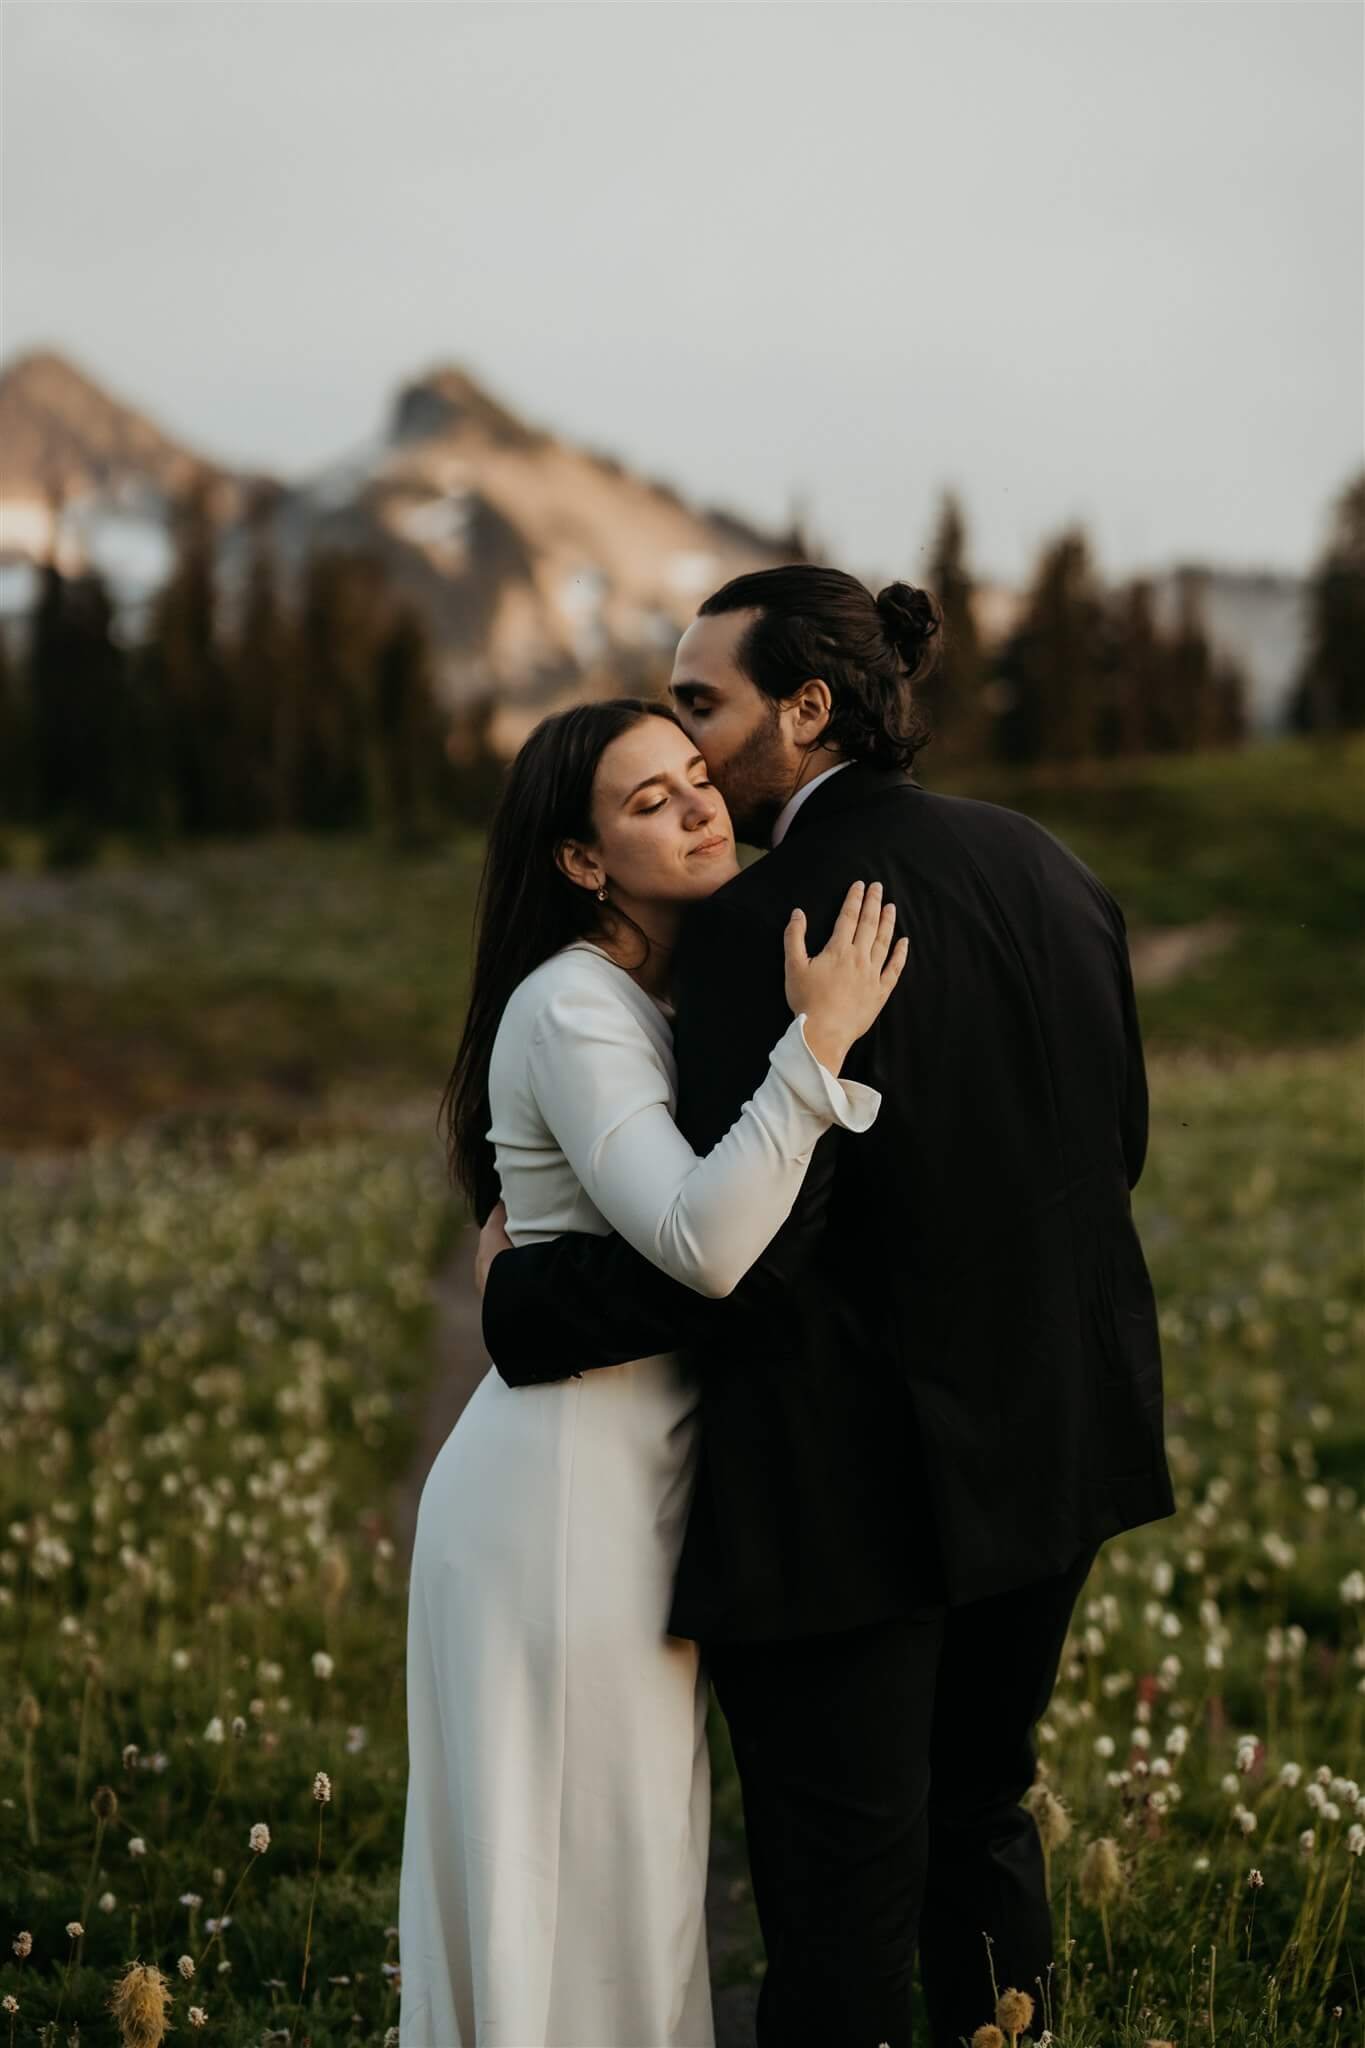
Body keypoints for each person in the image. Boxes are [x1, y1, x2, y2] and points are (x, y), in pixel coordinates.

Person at [476, 564, 1177, 2048]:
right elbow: (1105, 1148)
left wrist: (529, 1307)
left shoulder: (766, 922)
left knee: (840, 1898)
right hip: (1051, 1452)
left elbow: (751, 1239)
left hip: (850, 1493)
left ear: (802, 711)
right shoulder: (1048, 865)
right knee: (981, 1813)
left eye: (699, 706)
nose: (686, 746)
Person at [397, 694, 908, 2048]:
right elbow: (700, 1241)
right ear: (579, 861)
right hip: (560, 1501)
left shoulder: (658, 993)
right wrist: (820, 1045)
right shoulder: (573, 1003)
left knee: (624, 1879)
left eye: (697, 777)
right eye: (647, 801)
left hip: (625, 1488)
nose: (700, 808)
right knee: (579, 1882)